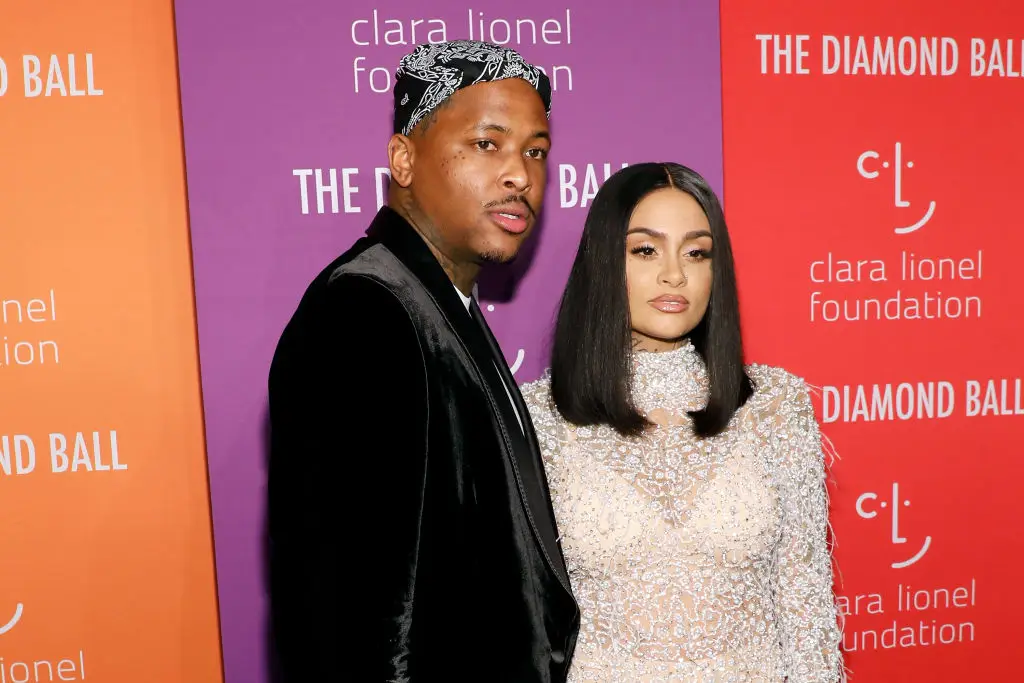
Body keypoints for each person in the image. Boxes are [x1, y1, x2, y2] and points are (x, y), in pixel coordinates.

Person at [266, 40, 579, 682]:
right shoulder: (365, 311)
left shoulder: (443, 304)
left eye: (535, 150)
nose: (520, 173)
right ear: (404, 160)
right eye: (487, 144)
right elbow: (347, 613)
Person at [520, 162, 845, 682]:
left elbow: (804, 596)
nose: (675, 273)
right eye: (645, 250)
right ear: (604, 262)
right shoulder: (539, 418)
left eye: (696, 252)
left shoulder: (775, 405)